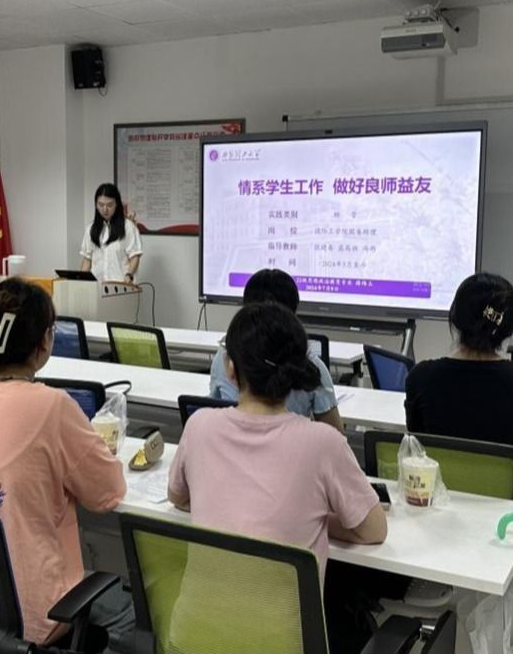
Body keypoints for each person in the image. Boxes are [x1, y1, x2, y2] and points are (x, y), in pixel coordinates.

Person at [169, 302, 386, 652]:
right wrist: (313, 518)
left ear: (230, 369)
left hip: (193, 639)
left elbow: (178, 497)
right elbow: (373, 530)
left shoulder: (199, 425)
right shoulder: (323, 442)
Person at [0, 278, 130, 652]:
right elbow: (108, 493)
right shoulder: (53, 406)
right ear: (44, 341)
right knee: (130, 612)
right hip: (29, 622)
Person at [209, 268, 343, 431]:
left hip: (230, 443)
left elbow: (213, 408)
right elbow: (335, 433)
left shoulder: (225, 357)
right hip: (292, 446)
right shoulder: (311, 367)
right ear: (293, 314)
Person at [405, 272, 513, 443]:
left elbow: (416, 447)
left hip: (438, 462)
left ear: (455, 317)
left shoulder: (421, 378)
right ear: (507, 328)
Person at [80, 183, 142, 283]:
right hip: (97, 286)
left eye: (109, 205)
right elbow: (87, 260)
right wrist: (80, 281)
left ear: (117, 204)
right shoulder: (90, 229)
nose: (105, 209)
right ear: (96, 205)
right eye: (101, 205)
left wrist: (129, 275)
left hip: (120, 285)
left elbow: (134, 257)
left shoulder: (128, 227)